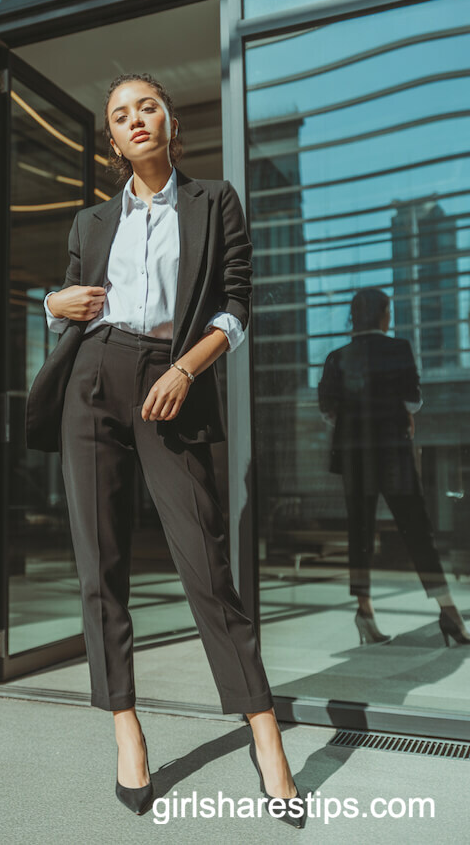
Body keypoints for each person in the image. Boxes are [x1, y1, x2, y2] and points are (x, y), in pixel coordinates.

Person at [25, 73, 305, 826]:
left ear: (169, 121)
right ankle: (126, 728)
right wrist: (51, 304)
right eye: (119, 114)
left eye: (146, 105)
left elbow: (237, 304)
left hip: (170, 376)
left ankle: (264, 734)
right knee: (100, 565)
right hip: (93, 379)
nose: (135, 119)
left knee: (205, 563)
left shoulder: (215, 202)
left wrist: (186, 367)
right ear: (112, 142)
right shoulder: (89, 223)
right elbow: (68, 303)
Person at [318, 287, 470, 647]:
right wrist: (398, 412)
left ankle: (365, 612)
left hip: (355, 455)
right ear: (381, 315)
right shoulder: (397, 349)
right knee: (417, 530)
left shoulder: (336, 357)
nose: (391, 317)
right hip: (391, 453)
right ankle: (448, 611)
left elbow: (328, 411)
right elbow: (414, 400)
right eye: (389, 311)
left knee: (360, 533)